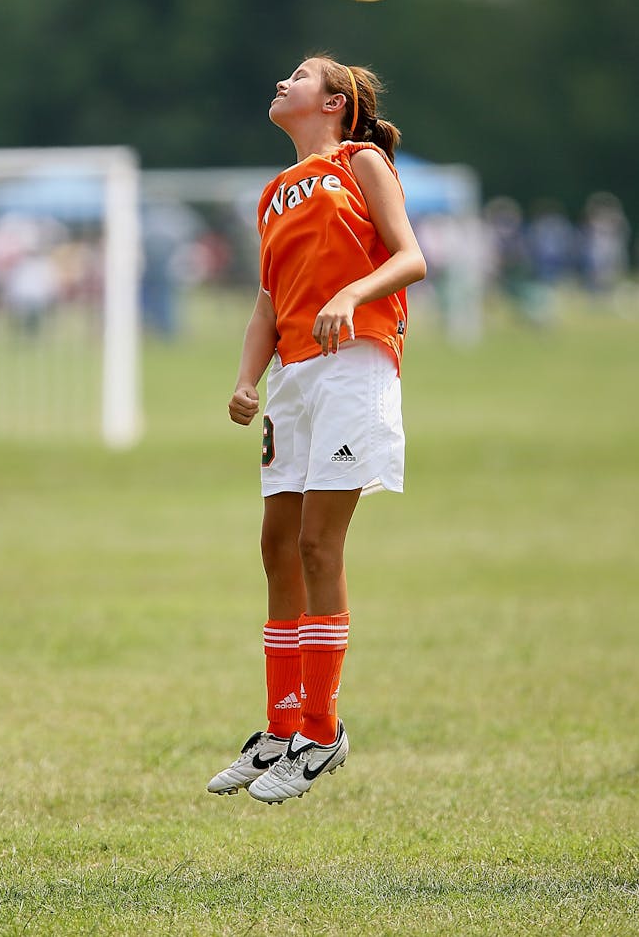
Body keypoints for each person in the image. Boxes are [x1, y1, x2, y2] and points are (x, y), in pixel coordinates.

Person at [207, 55, 427, 804]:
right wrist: (245, 378)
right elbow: (268, 304)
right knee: (275, 548)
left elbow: (411, 256)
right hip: (293, 379)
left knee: (316, 545)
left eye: (298, 76)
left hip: (352, 366)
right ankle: (280, 728)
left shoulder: (359, 161)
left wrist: (352, 294)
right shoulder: (272, 194)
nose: (280, 82)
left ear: (334, 103)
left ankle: (322, 732)